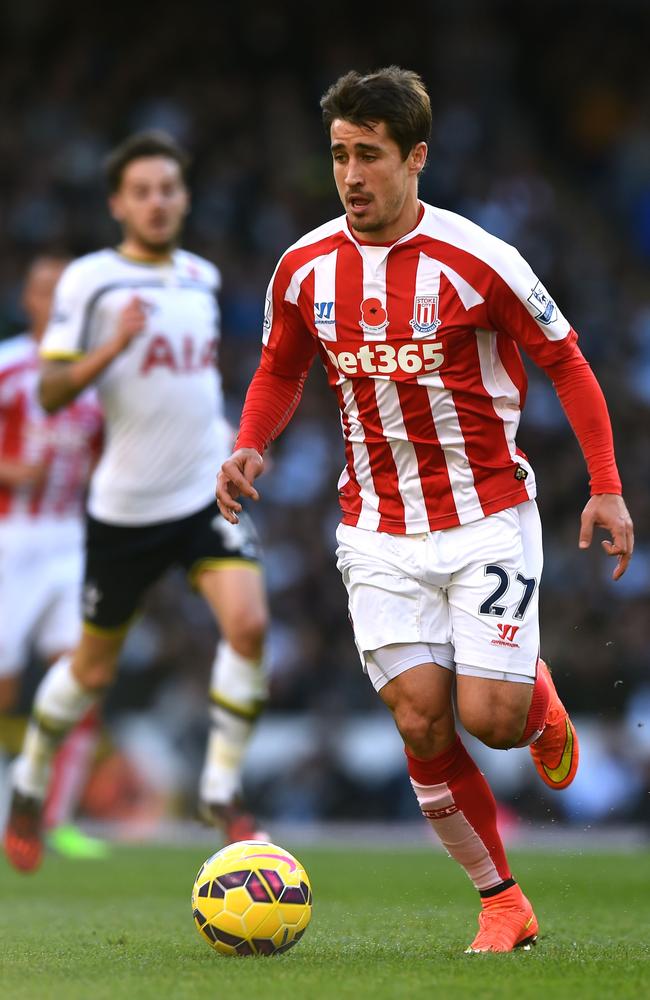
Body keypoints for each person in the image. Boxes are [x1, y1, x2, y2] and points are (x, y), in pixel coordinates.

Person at [215, 67, 634, 953]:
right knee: (419, 717)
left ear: (417, 158)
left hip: (486, 516)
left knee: (492, 719)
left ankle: (537, 703)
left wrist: (605, 485)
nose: (351, 175)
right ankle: (502, 901)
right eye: (339, 156)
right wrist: (252, 440)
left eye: (370, 155)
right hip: (374, 526)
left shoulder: (482, 260)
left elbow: (567, 362)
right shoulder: (302, 267)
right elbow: (283, 367)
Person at [3, 131, 269, 873]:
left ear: (183, 199)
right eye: (142, 191)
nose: (157, 202)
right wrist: (111, 347)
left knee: (248, 626)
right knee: (90, 671)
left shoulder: (202, 278)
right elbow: (53, 391)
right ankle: (29, 783)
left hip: (201, 496)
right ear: (119, 203)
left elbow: (198, 387)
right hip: (123, 509)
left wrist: (235, 445)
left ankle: (222, 792)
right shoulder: (91, 281)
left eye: (169, 189)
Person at [0, 255, 107, 860]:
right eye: (47, 291)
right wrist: (13, 469)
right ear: (29, 300)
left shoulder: (95, 377)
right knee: (6, 687)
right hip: (9, 540)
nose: (57, 302)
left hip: (69, 541)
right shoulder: (8, 365)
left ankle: (54, 817)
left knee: (83, 674)